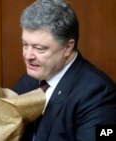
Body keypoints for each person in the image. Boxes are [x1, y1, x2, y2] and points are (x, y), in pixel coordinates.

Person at [13, 0, 116, 140]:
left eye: (39, 48)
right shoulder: (27, 82)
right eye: (25, 45)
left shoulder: (99, 93)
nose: (27, 56)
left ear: (67, 48)